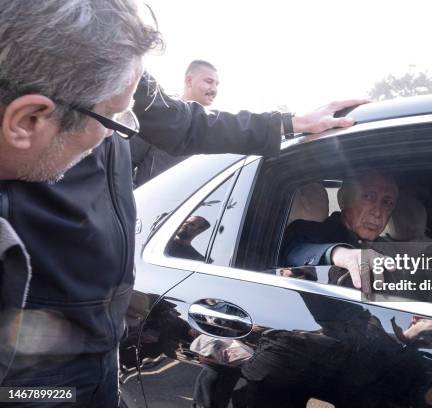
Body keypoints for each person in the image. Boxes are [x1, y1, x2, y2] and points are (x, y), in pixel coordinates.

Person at [0, 1, 367, 405]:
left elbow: (180, 122)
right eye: (118, 120)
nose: (122, 135)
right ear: (28, 120)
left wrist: (284, 124)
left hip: (103, 340)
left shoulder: (109, 63)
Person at [282, 173, 398, 293]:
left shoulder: (393, 250)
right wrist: (336, 253)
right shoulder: (306, 231)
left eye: (387, 202)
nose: (378, 212)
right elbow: (293, 251)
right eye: (367, 196)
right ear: (343, 199)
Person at [131, 60, 220, 187]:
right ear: (189, 81)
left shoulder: (209, 130)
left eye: (217, 84)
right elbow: (126, 163)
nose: (214, 89)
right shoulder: (160, 113)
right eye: (209, 81)